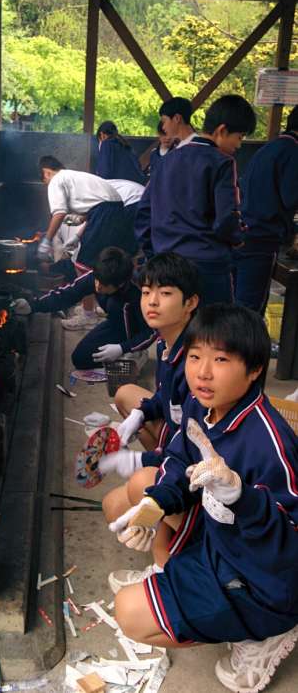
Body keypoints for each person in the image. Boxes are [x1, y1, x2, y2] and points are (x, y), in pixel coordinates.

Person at [107, 304, 298, 692]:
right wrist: (154, 506)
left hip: (262, 579)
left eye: (221, 359)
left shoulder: (270, 443)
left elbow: (290, 542)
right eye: (195, 357)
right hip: (220, 539)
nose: (202, 372)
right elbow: (178, 459)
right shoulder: (202, 404)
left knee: (130, 613)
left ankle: (262, 634)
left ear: (254, 369)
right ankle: (178, 572)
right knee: (123, 502)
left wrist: (242, 498)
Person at [99, 253, 199, 591]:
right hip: (178, 444)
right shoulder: (167, 343)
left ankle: (168, 568)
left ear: (191, 303)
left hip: (196, 469)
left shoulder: (197, 362)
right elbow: (164, 397)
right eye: (146, 292)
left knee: (139, 484)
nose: (152, 301)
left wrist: (142, 461)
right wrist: (139, 414)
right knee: (113, 509)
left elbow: (193, 446)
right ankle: (161, 519)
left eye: (165, 293)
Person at [135, 94, 256, 305]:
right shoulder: (223, 162)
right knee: (214, 324)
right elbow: (225, 220)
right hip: (207, 267)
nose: (239, 145)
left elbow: (144, 213)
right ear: (222, 130)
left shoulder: (166, 161)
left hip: (168, 265)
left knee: (175, 323)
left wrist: (155, 254)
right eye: (239, 137)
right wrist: (238, 238)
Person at [37, 156, 138, 327]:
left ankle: (88, 314)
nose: (47, 184)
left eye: (44, 180)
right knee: (107, 261)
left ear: (46, 172)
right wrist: (78, 233)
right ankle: (111, 307)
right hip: (116, 210)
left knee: (82, 265)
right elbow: (98, 205)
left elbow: (59, 213)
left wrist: (46, 241)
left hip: (106, 213)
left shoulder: (56, 180)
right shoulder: (74, 176)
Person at [17, 248, 156, 366]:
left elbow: (153, 330)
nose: (98, 287)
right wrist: (33, 306)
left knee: (116, 305)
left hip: (136, 331)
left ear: (120, 284)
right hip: (115, 324)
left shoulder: (139, 293)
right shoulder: (98, 276)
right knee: (80, 359)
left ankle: (137, 352)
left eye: (104, 285)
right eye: (97, 281)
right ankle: (123, 352)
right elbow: (67, 294)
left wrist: (123, 348)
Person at [232, 104, 298, 314]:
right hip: (263, 237)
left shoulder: (270, 148)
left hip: (243, 231)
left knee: (236, 303)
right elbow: (291, 197)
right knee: (250, 308)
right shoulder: (293, 152)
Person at [96, 121, 146, 185]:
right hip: (139, 186)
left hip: (123, 187)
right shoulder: (126, 145)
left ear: (102, 135)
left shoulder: (106, 144)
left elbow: (104, 174)